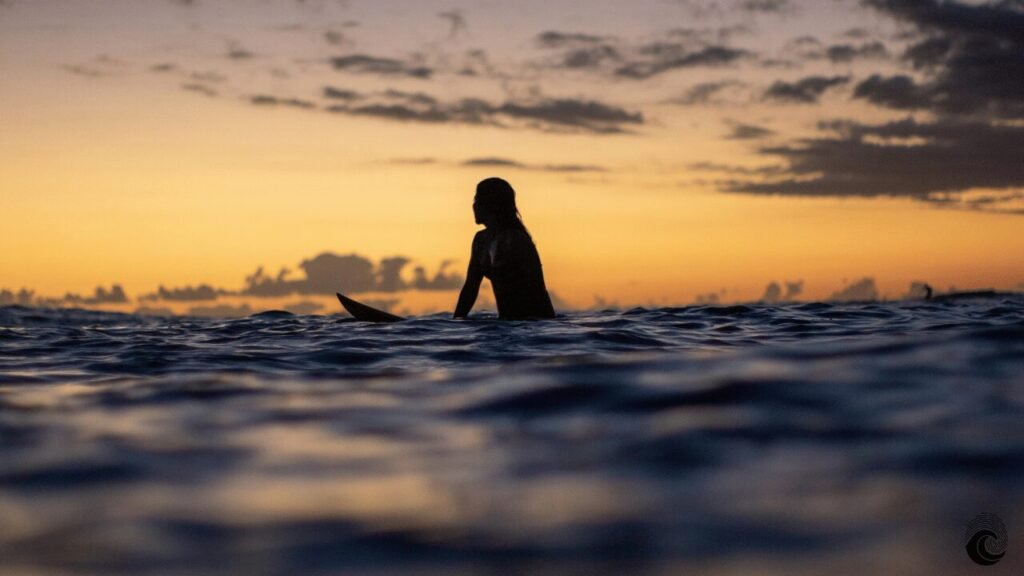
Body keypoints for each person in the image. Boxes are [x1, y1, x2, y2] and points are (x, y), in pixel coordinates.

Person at [454, 177, 556, 320]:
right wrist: (456, 323)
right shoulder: (481, 240)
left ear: (491, 205)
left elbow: (520, 291)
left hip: (535, 324)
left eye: (477, 200)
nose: (474, 206)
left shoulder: (515, 240)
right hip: (508, 325)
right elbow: (470, 288)